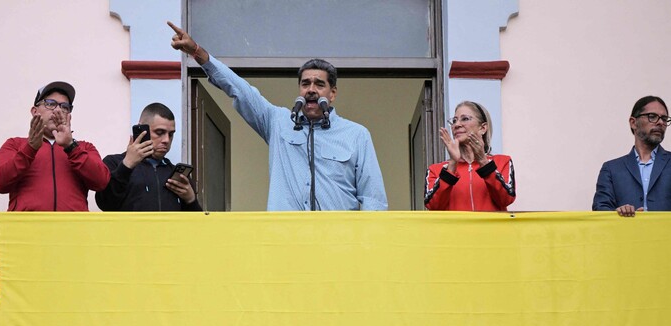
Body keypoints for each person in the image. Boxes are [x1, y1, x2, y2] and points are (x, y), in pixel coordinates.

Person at [167, 21, 387, 211]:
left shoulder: (357, 135)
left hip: (338, 243)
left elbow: (373, 199)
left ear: (333, 93)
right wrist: (197, 52)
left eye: (319, 84)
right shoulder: (278, 122)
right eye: (305, 83)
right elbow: (241, 91)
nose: (311, 89)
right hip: (284, 241)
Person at [0, 81, 109, 211]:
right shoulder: (15, 144)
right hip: (26, 229)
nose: (58, 110)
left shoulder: (84, 147)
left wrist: (71, 147)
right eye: (50, 104)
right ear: (34, 111)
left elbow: (101, 182)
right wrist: (30, 149)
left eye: (65, 106)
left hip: (72, 229)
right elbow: (0, 183)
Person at [95, 103, 201, 211]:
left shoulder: (177, 175)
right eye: (159, 132)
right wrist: (126, 165)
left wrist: (191, 200)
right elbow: (104, 204)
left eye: (171, 134)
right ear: (142, 130)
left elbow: (198, 224)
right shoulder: (114, 163)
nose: (166, 140)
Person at [424, 101, 516, 211]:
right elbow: (433, 205)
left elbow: (506, 199)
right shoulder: (435, 170)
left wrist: (483, 161)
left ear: (483, 128)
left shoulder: (502, 162)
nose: (457, 125)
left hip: (491, 229)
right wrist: (453, 163)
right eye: (454, 121)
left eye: (465, 119)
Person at [593, 96, 671, 217]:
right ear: (633, 122)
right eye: (652, 117)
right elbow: (600, 210)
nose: (660, 122)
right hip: (625, 234)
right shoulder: (612, 169)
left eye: (664, 118)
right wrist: (618, 213)